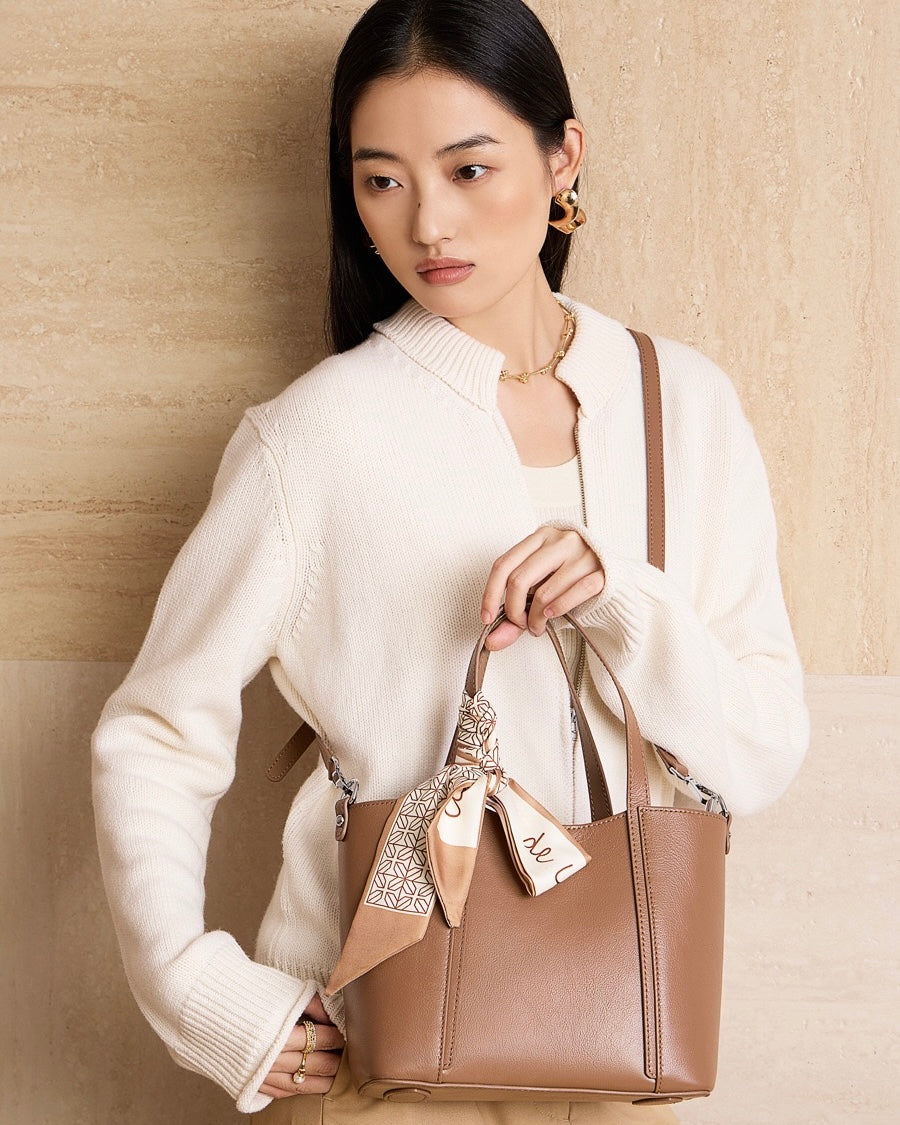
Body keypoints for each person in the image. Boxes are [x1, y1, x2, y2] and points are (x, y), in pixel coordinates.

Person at [91, 0, 810, 1121]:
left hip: (632, 1039)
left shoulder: (685, 404)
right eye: (381, 180)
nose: (427, 222)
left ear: (562, 158)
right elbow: (155, 731)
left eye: (469, 169)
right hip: (391, 1053)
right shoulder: (315, 438)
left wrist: (620, 598)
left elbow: (759, 756)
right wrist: (196, 991)